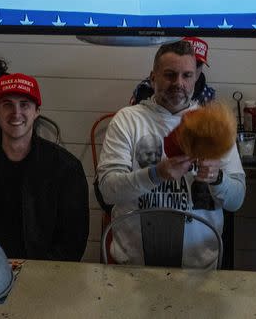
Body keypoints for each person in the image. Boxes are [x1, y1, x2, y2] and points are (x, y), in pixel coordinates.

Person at [97, 40, 245, 268]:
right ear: (153, 77)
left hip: (200, 271)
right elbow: (107, 191)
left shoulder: (212, 124)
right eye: (170, 75)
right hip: (133, 269)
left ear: (196, 78)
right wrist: (155, 174)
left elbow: (236, 200)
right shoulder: (127, 120)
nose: (179, 83)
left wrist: (218, 178)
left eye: (187, 75)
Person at [0, 73, 89, 261]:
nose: (16, 113)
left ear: (37, 111)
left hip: (43, 274)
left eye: (24, 104)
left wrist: (41, 274)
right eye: (7, 104)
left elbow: (73, 239)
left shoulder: (66, 168)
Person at [129, 36, 216, 108]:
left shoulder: (207, 93)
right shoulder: (146, 87)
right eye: (170, 75)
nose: (178, 83)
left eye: (198, 64)